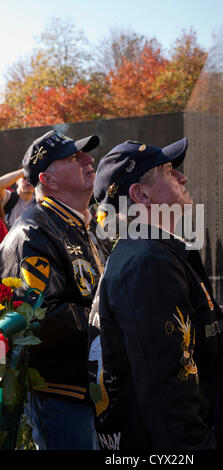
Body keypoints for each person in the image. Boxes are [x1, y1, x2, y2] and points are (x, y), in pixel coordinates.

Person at [88, 138, 223, 451]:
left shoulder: (149, 253)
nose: (183, 178)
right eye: (169, 171)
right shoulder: (148, 263)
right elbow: (168, 400)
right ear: (141, 194)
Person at [0, 129, 109, 450]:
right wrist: (119, 319)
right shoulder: (30, 233)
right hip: (63, 398)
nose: (89, 159)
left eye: (84, 154)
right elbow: (39, 321)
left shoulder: (83, 223)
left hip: (94, 389)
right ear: (47, 178)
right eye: (74, 157)